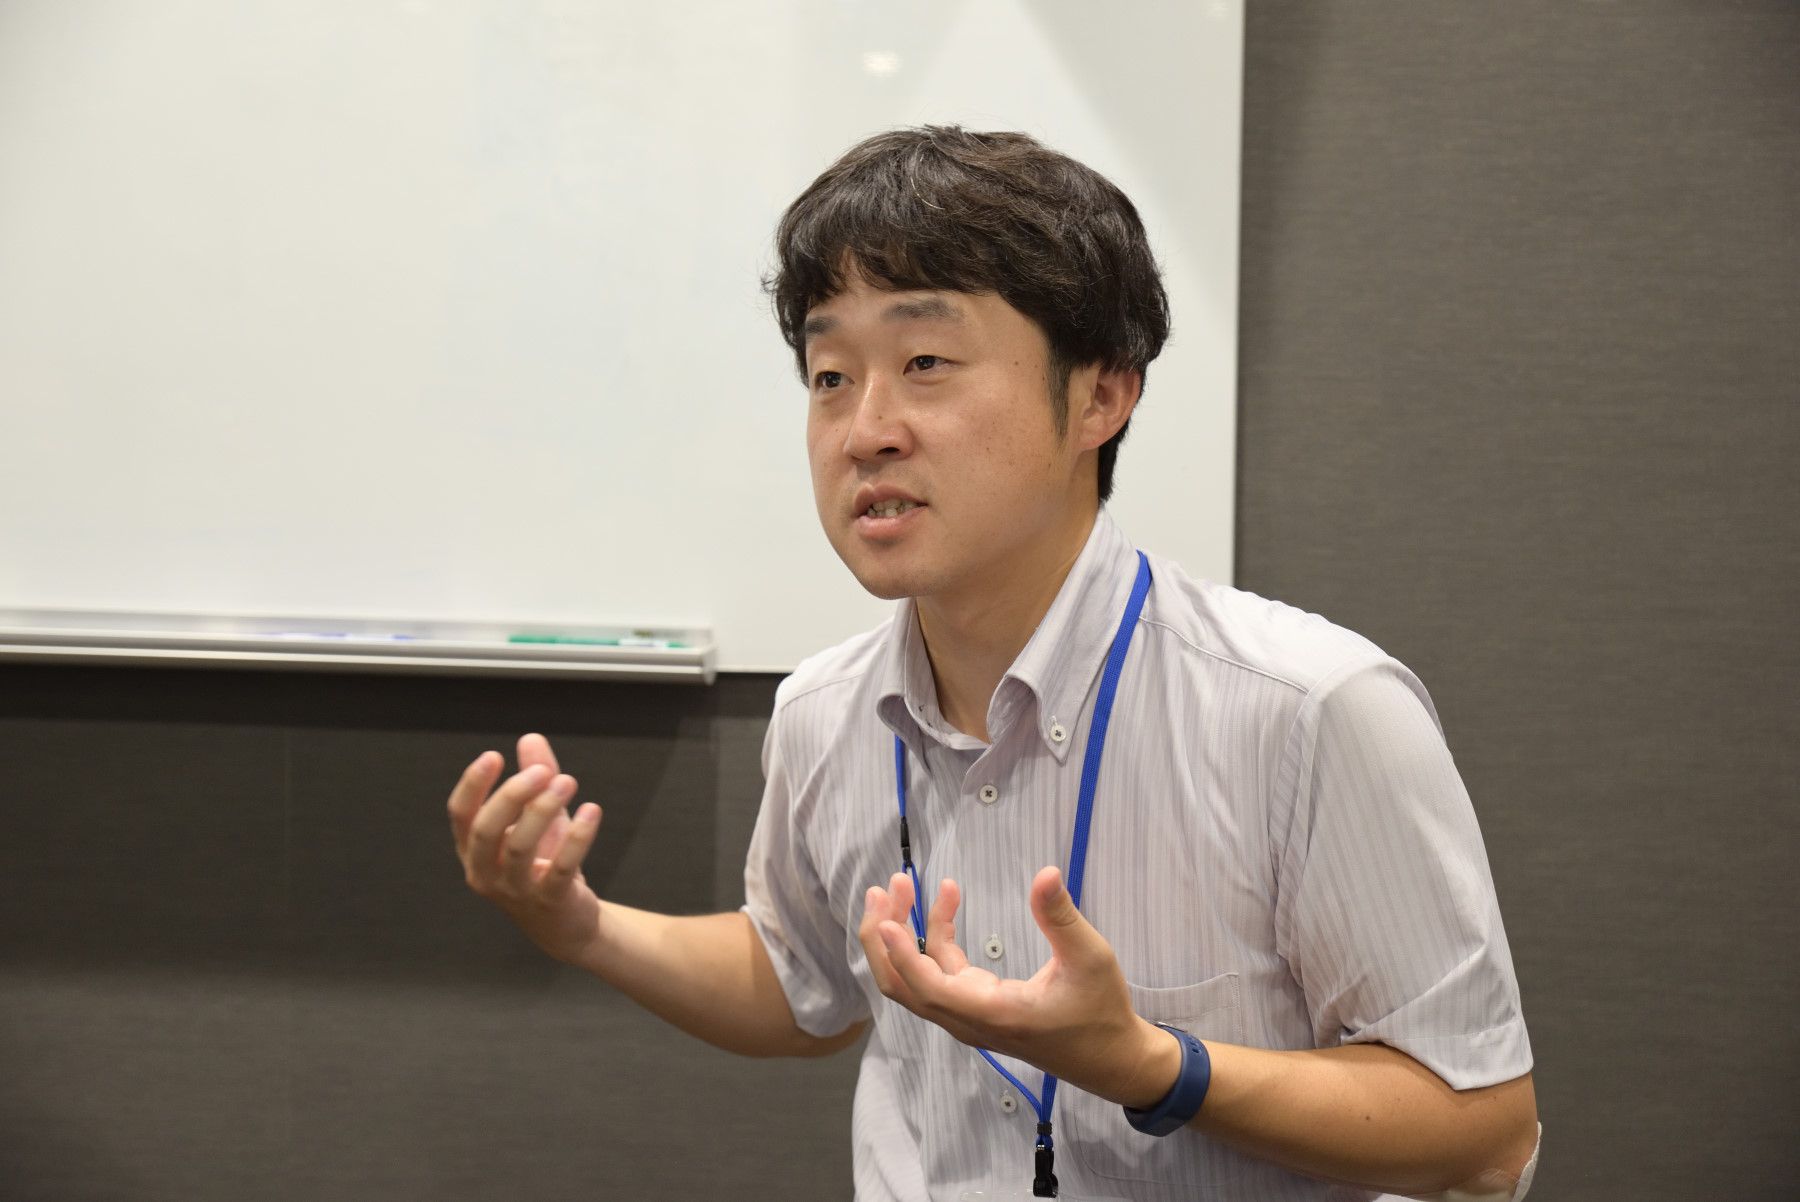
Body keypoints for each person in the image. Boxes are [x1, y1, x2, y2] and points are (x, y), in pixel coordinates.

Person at [447, 126, 1539, 1201]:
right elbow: (799, 979)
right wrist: (582, 925)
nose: (865, 429)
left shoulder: (1310, 710)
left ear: (1100, 396)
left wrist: (1151, 1066)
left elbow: (1483, 1133)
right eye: (830, 375)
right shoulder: (825, 711)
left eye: (925, 362)